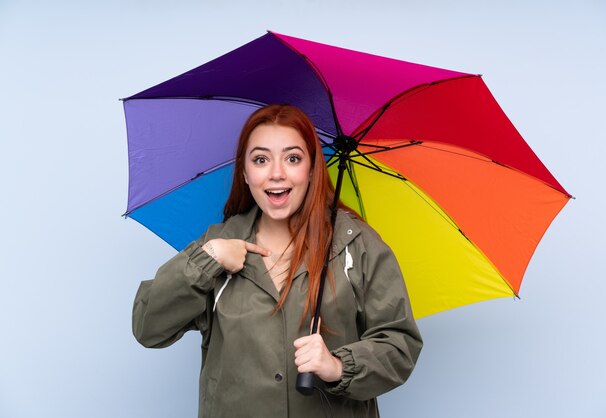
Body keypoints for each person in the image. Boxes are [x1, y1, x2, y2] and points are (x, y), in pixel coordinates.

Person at [132, 104, 422, 417]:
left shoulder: (357, 245)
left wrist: (338, 366)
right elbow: (149, 327)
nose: (276, 173)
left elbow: (398, 344)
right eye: (260, 159)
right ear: (244, 172)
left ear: (311, 168)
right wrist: (207, 261)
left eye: (293, 158)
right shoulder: (217, 245)